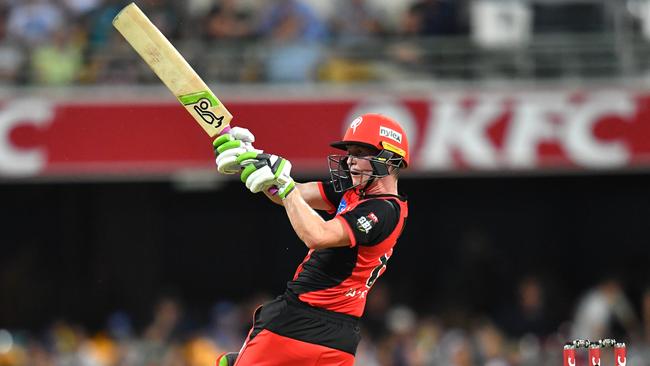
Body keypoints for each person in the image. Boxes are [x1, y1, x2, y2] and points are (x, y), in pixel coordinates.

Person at [212, 113, 410, 365]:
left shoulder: (382, 210)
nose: (350, 161)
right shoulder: (355, 192)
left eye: (360, 152)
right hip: (340, 338)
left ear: (389, 159)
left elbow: (316, 235)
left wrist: (285, 186)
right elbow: (291, 194)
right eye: (350, 152)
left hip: (294, 322)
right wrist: (249, 158)